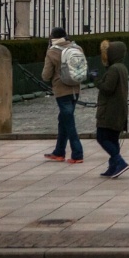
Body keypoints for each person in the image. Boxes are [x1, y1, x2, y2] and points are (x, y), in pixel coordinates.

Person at [41, 27, 84, 164]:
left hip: (61, 90)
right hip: (75, 89)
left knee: (69, 122)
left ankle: (77, 154)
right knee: (63, 120)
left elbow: (46, 75)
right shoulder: (77, 48)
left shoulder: (52, 52)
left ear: (52, 37)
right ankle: (59, 152)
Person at [95, 40, 129, 178]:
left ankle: (119, 161)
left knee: (102, 137)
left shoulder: (114, 69)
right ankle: (113, 165)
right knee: (113, 138)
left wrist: (96, 80)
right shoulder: (121, 67)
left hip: (109, 110)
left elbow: (107, 88)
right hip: (119, 109)